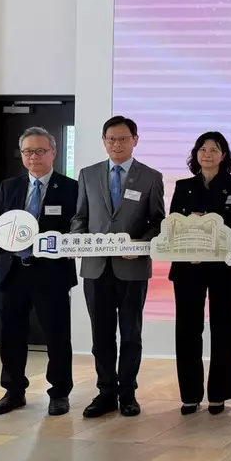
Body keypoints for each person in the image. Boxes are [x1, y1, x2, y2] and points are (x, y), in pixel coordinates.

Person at [70, 115, 165, 418]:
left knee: (131, 334)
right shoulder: (88, 174)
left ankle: (128, 394)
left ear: (135, 140)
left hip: (132, 269)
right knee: (101, 334)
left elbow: (158, 222)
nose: (117, 144)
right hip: (95, 268)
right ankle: (105, 392)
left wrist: (140, 245)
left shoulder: (151, 177)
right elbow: (80, 217)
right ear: (104, 141)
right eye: (111, 139)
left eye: (123, 139)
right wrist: (77, 241)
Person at [0, 126, 78, 416]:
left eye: (40, 151)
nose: (33, 157)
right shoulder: (9, 186)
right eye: (27, 152)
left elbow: (78, 226)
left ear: (53, 153)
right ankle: (13, 392)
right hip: (11, 271)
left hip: (51, 273)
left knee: (57, 335)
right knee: (10, 335)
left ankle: (59, 393)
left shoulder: (71, 187)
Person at [169, 132, 231, 416]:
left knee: (224, 328)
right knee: (187, 330)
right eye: (202, 149)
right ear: (196, 154)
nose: (207, 154)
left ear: (223, 155)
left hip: (225, 267)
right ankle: (190, 395)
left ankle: (218, 394)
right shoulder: (183, 186)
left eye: (214, 149)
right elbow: (172, 224)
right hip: (188, 266)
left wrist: (214, 223)